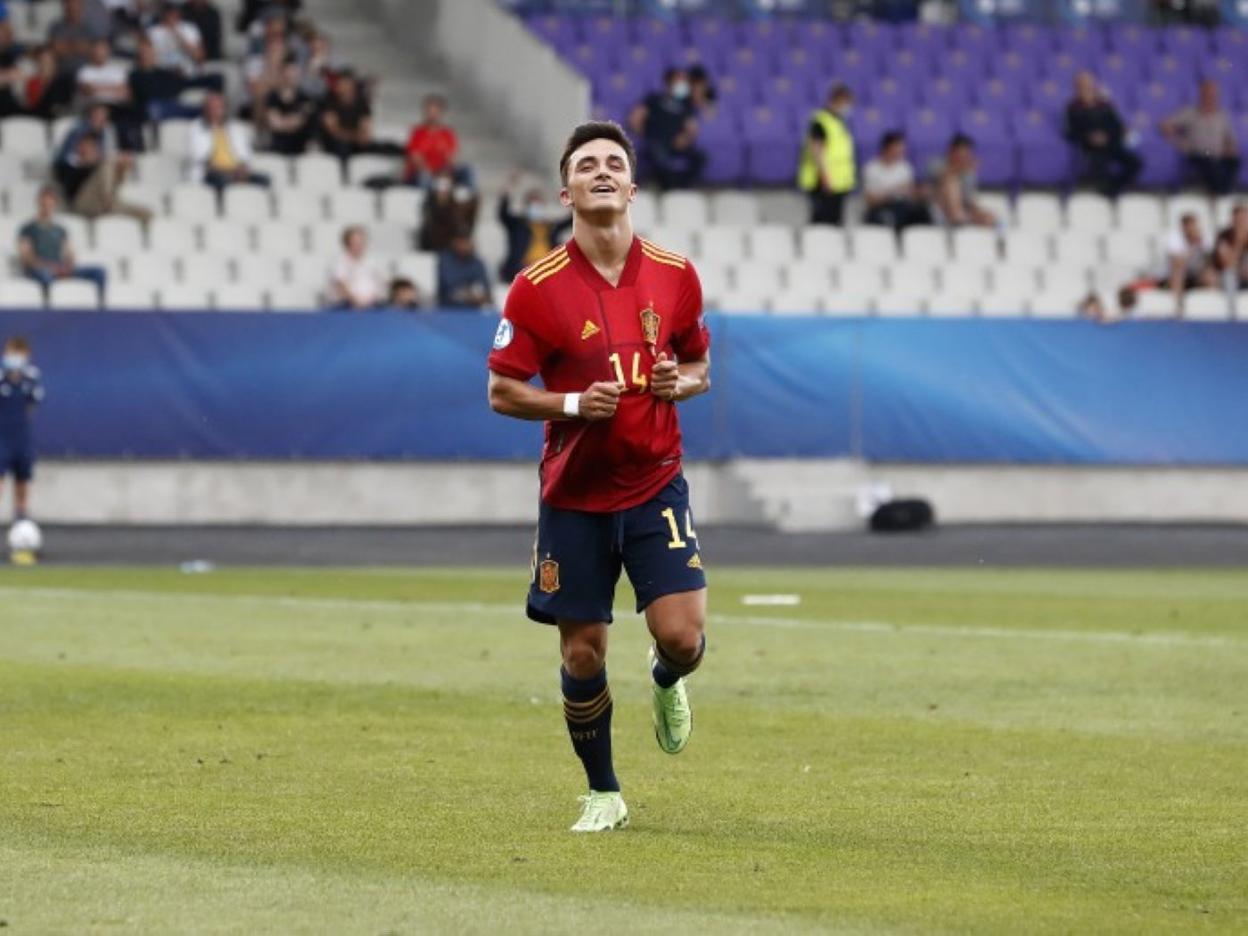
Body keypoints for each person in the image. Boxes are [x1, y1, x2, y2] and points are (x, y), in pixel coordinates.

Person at [486, 121, 711, 833]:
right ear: (568, 190)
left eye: (615, 162)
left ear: (633, 186)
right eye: (588, 165)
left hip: (654, 481)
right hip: (576, 497)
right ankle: (604, 791)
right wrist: (575, 404)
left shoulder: (675, 273)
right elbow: (502, 390)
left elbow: (702, 366)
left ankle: (667, 679)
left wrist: (683, 384)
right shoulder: (536, 288)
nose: (603, 171)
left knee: (682, 637)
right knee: (582, 649)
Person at [53, 103, 150, 220]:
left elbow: (115, 182)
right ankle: (108, 200)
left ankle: (109, 202)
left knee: (146, 213)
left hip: (105, 203)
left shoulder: (98, 166)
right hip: (83, 203)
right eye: (87, 145)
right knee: (108, 163)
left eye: (93, 147)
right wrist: (87, 164)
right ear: (79, 146)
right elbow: (69, 184)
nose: (90, 149)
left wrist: (123, 168)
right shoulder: (67, 165)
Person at [18, 186, 108, 298]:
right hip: (41, 270)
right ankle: (48, 310)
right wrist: (50, 267)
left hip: (59, 269)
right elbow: (27, 258)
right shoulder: (28, 229)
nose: (46, 208)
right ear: (38, 203)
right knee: (45, 275)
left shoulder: (61, 230)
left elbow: (69, 254)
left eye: (49, 204)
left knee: (99, 272)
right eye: (43, 204)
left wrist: (66, 267)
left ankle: (100, 309)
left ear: (54, 205)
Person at [1064, 71, 1142, 198]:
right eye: (1082, 85)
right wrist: (1089, 137)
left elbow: (1116, 125)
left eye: (1088, 84)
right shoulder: (1072, 107)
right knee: (1099, 162)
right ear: (1076, 87)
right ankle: (1105, 192)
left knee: (1135, 162)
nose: (1086, 88)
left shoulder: (1104, 105)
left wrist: (1110, 135)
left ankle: (1114, 189)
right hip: (1089, 146)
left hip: (1110, 142)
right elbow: (1070, 132)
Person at [629, 67, 706, 191]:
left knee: (701, 157)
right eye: (679, 81)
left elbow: (692, 128)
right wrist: (646, 134)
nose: (683, 84)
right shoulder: (654, 99)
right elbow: (636, 118)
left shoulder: (686, 104)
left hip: (677, 144)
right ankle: (667, 187)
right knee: (658, 156)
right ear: (669, 82)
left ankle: (682, 187)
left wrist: (685, 139)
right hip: (657, 142)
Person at [1161, 80, 1240, 196]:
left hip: (1218, 153)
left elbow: (1230, 137)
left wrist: (1230, 148)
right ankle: (1219, 192)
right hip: (1197, 153)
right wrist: (1178, 140)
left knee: (1234, 161)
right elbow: (1166, 125)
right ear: (1201, 95)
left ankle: (1223, 192)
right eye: (1207, 94)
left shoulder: (1222, 115)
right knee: (1210, 164)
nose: (1210, 97)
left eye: (1213, 94)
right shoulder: (1190, 113)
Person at [797, 83, 856, 225]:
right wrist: (825, 177)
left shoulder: (839, 121)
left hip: (839, 182)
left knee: (835, 221)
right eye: (846, 103)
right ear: (839, 100)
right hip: (824, 182)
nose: (848, 107)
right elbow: (817, 150)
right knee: (822, 222)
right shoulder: (821, 121)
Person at [0, 337, 45, 523]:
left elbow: (31, 407)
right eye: (11, 353)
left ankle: (21, 516)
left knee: (22, 478)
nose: (15, 357)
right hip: (1, 437)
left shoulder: (32, 378)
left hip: (21, 437)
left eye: (19, 353)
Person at [497, 172, 572, 283]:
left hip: (547, 273)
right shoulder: (517, 224)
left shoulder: (550, 226)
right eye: (532, 202)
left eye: (539, 203)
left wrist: (565, 196)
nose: (536, 206)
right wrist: (509, 186)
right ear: (526, 205)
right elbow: (503, 213)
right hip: (522, 271)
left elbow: (572, 219)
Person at [189, 91, 270, 189]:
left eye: (221, 107)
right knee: (223, 181)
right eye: (214, 107)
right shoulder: (196, 128)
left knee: (264, 180)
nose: (218, 110)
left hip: (236, 172)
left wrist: (241, 169)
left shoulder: (236, 128)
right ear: (206, 109)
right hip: (212, 173)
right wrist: (229, 172)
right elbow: (199, 157)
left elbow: (246, 155)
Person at [862, 130, 932, 231]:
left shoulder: (905, 167)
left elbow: (910, 194)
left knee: (922, 213)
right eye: (897, 148)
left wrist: (919, 193)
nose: (901, 151)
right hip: (880, 208)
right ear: (887, 148)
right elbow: (870, 200)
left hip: (902, 207)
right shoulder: (871, 168)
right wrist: (893, 192)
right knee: (887, 218)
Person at [931, 134, 996, 228]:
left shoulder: (969, 174)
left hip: (964, 210)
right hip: (939, 209)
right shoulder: (936, 163)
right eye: (961, 153)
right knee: (951, 181)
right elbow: (941, 176)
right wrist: (960, 169)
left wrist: (979, 212)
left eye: (966, 154)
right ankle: (957, 217)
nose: (963, 157)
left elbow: (968, 200)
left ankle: (963, 219)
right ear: (952, 151)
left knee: (989, 217)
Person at [404, 93, 467, 187]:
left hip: (442, 173)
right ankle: (429, 200)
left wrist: (445, 172)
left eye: (435, 112)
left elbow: (452, 157)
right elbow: (415, 158)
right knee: (424, 176)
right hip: (421, 174)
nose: (432, 115)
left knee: (466, 170)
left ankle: (466, 198)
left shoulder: (448, 133)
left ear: (441, 113)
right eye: (429, 111)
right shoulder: (417, 132)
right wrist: (430, 172)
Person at [1160, 212, 1216, 308]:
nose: (1191, 229)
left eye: (1193, 225)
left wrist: (1201, 245)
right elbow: (1177, 263)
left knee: (1211, 274)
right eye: (1188, 226)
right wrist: (1192, 246)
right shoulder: (1174, 238)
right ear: (1183, 227)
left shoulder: (1204, 237)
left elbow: (1211, 260)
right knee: (1178, 273)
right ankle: (1178, 306)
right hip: (1175, 277)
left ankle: (1211, 306)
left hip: (1196, 275)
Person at [326, 225, 387, 310]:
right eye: (355, 242)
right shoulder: (339, 263)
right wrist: (357, 302)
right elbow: (341, 286)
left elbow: (381, 284)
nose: (359, 245)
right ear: (347, 243)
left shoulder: (372, 262)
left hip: (372, 305)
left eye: (362, 242)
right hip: (346, 306)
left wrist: (371, 299)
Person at [263, 56, 314, 154]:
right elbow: (275, 124)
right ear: (282, 73)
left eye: (294, 72)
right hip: (278, 146)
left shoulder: (305, 98)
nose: (291, 75)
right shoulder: (272, 97)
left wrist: (284, 121)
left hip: (300, 147)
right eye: (288, 71)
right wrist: (292, 121)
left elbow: (300, 121)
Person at [418, 168, 478, 252]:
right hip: (436, 246)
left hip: (454, 247)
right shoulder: (429, 203)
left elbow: (467, 222)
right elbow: (430, 228)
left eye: (447, 183)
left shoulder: (458, 204)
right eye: (441, 182)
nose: (444, 187)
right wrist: (440, 203)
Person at [436, 230, 491, 309]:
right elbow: (449, 288)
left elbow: (485, 288)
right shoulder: (445, 261)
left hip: (475, 310)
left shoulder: (477, 263)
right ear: (455, 242)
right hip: (449, 309)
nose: (465, 246)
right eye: (462, 242)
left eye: (467, 242)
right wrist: (467, 294)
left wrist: (480, 296)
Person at [147, 2, 204, 77]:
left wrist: (178, 36)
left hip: (186, 71)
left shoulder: (190, 28)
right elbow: (148, 58)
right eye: (169, 13)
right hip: (162, 72)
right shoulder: (153, 32)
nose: (172, 16)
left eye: (174, 13)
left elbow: (199, 56)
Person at [1213, 203, 1248, 291]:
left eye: (1243, 219)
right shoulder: (1224, 236)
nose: (1241, 222)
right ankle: (1231, 305)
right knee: (1228, 276)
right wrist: (1239, 242)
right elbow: (1227, 263)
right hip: (1232, 275)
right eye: (1238, 219)